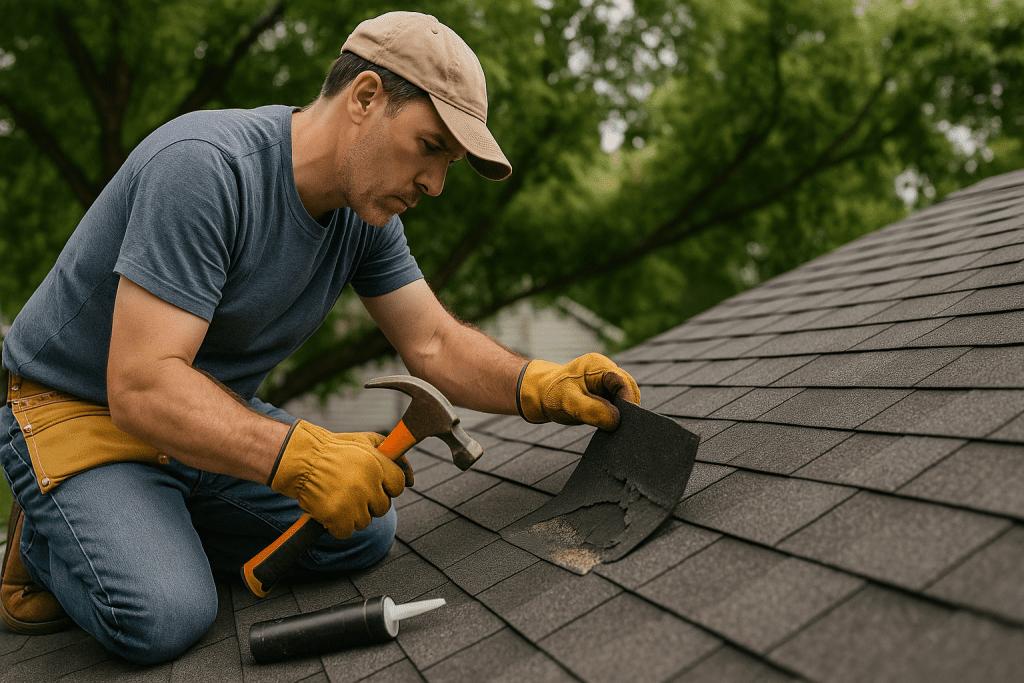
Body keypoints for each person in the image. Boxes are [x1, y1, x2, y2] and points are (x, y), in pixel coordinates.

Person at [0, 11, 639, 664]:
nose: (435, 185)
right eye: (429, 147)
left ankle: (147, 521)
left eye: (447, 164)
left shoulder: (364, 215)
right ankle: (49, 541)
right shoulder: (205, 168)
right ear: (365, 97)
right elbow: (140, 384)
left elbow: (435, 344)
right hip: (78, 410)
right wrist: (301, 457)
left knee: (357, 530)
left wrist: (538, 383)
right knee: (163, 613)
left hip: (195, 415)